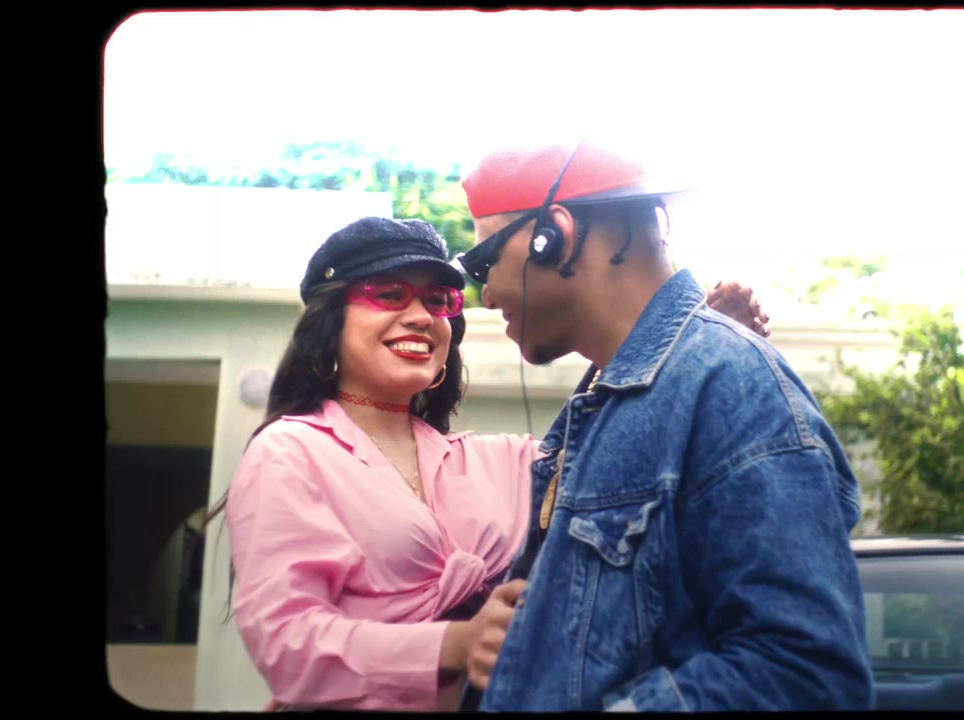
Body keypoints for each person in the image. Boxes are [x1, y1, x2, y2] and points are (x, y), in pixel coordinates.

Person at [206, 215, 773, 712]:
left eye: (438, 302)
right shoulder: (290, 450)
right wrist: (456, 643)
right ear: (330, 323)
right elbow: (288, 642)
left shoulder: (496, 459)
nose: (421, 316)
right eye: (390, 294)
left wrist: (695, 349)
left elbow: (614, 450)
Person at [452, 137, 876, 711]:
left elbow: (803, 676)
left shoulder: (733, 387)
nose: (485, 291)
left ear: (556, 235)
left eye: (483, 262)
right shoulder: (604, 404)